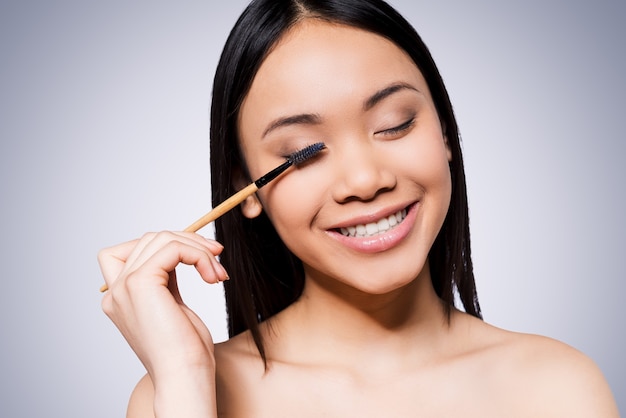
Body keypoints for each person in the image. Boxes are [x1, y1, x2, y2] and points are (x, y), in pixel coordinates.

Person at [98, 0, 619, 416]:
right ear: (247, 189)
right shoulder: (175, 393)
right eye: (301, 152)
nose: (365, 181)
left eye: (394, 123)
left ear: (445, 135)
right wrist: (186, 380)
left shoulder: (557, 386)